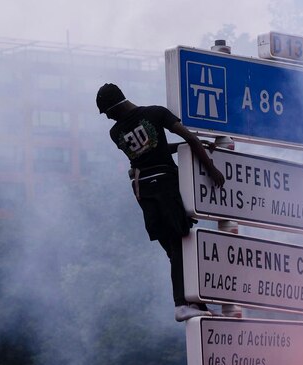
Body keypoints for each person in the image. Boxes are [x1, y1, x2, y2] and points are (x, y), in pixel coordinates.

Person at [96, 82, 226, 322]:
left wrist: (185, 147)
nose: (108, 118)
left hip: (144, 192)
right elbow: (189, 139)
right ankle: (181, 303)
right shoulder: (156, 113)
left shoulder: (116, 133)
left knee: (174, 250)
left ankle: (196, 302)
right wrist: (211, 169)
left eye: (106, 112)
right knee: (178, 243)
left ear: (114, 106)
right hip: (165, 186)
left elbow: (154, 148)